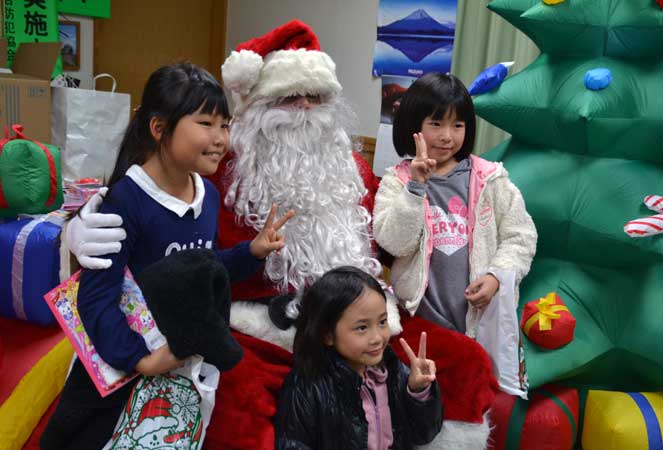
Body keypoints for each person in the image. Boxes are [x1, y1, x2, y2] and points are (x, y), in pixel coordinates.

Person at [65, 22, 498, 450]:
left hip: (361, 321)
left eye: (316, 97)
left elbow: (390, 243)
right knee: (241, 403)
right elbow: (158, 204)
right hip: (259, 326)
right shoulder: (222, 170)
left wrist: (437, 215)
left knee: (467, 363)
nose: (306, 108)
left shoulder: (351, 169)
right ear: (257, 108)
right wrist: (77, 228)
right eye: (291, 98)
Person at [41, 62, 292, 450]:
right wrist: (138, 358)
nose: (220, 138)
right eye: (205, 123)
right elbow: (96, 298)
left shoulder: (207, 196)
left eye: (225, 125)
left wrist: (252, 252)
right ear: (159, 128)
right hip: (123, 362)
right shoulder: (126, 201)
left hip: (179, 363)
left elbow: (206, 271)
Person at [373, 73, 537, 393]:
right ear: (414, 125)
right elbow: (394, 243)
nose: (447, 136)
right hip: (420, 326)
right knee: (420, 403)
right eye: (436, 124)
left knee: (471, 405)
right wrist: (415, 188)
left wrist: (496, 275)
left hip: (478, 325)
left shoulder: (491, 178)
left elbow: (521, 236)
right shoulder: (397, 180)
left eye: (457, 125)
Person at [274, 266, 442, 450]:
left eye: (382, 322)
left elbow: (423, 434)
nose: (377, 338)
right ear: (327, 335)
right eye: (362, 327)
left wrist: (418, 391)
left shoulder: (393, 371)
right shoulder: (306, 386)